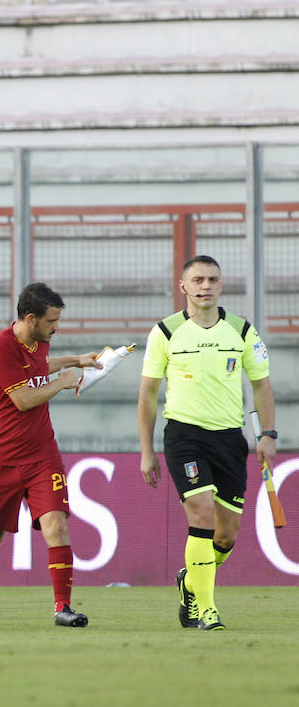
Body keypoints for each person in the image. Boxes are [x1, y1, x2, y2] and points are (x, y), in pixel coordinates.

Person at [137, 255, 274, 631]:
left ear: (221, 284)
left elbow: (261, 385)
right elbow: (148, 394)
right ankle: (207, 610)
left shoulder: (242, 330)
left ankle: (190, 581)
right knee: (200, 515)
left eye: (212, 279)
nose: (205, 286)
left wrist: (267, 434)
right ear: (183, 286)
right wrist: (147, 451)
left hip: (230, 439)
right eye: (197, 279)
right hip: (184, 436)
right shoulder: (164, 332)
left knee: (225, 537)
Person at [0, 283, 99, 628]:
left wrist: (77, 359)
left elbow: (40, 364)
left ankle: (63, 608)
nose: (56, 327)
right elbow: (24, 399)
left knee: (56, 525)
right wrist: (64, 380)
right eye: (52, 321)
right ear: (31, 318)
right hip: (2, 457)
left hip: (42, 455)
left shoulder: (38, 342)